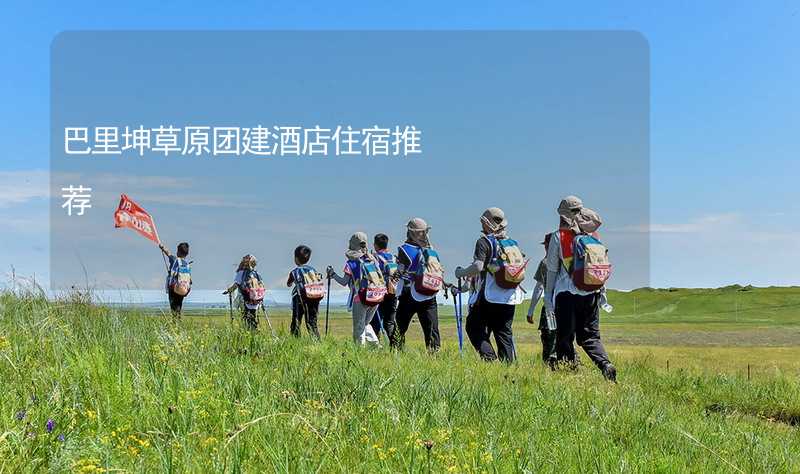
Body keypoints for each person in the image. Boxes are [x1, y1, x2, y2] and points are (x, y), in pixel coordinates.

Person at [543, 196, 617, 382]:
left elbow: (551, 270)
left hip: (566, 295)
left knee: (565, 337)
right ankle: (605, 364)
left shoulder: (558, 237)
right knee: (590, 337)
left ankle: (569, 376)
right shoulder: (594, 237)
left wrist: (548, 297)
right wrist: (602, 293)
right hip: (592, 292)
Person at [455, 208, 525, 362]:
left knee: (473, 327)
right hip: (510, 296)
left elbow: (478, 267)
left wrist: (461, 273)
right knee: (504, 333)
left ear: (486, 223)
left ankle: (489, 359)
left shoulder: (484, 242)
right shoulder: (512, 243)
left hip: (490, 295)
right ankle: (508, 369)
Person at [394, 218, 443, 353]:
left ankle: (396, 353)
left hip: (409, 293)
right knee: (432, 329)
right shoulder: (431, 250)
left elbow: (400, 270)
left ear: (410, 232)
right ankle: (434, 355)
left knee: (400, 327)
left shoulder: (404, 250)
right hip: (429, 292)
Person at [327, 232, 382, 346]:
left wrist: (332, 274)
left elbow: (344, 282)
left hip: (360, 297)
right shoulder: (372, 259)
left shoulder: (350, 263)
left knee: (359, 327)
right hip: (376, 296)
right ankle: (375, 345)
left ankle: (359, 350)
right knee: (366, 323)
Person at [527, 234, 557, 366]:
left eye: (546, 245)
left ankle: (549, 365)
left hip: (550, 307)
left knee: (548, 337)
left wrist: (531, 310)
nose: (545, 247)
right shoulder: (566, 261)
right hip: (566, 305)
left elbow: (539, 287)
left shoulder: (545, 263)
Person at [286, 245, 322, 340]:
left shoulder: (294, 272)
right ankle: (317, 342)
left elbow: (288, 284)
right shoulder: (312, 270)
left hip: (300, 298)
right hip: (314, 298)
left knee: (296, 321)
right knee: (312, 322)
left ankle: (295, 341)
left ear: (296, 258)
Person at [370, 233, 400, 345]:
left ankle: (375, 347)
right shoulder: (393, 257)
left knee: (375, 321)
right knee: (390, 321)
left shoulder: (376, 258)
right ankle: (396, 347)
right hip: (393, 292)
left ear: (375, 245)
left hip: (381, 293)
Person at [223, 254, 264, 330]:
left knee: (245, 317)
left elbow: (236, 285)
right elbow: (262, 285)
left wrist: (229, 291)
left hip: (244, 299)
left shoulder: (241, 273)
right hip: (256, 300)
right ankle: (254, 330)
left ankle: (247, 331)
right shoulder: (256, 274)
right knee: (253, 316)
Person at [159, 242, 191, 320]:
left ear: (178, 252)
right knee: (179, 306)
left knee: (173, 308)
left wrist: (162, 247)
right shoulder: (186, 264)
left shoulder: (174, 260)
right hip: (183, 288)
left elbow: (168, 253)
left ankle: (175, 324)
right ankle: (178, 321)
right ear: (187, 253)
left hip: (173, 288)